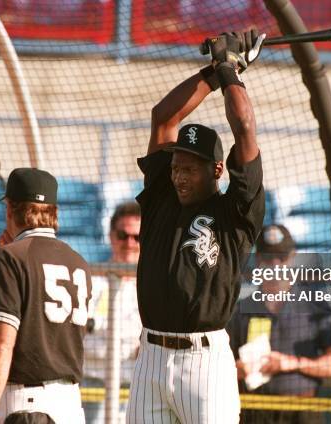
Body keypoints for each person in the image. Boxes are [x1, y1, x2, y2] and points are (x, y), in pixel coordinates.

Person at [126, 30, 266, 423]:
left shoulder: (235, 213)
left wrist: (229, 70)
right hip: (151, 355)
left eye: (189, 168)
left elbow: (244, 128)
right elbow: (163, 117)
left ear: (216, 169)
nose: (178, 176)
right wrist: (211, 73)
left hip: (204, 362)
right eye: (175, 167)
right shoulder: (160, 199)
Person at [0, 168, 91, 424]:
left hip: (25, 406)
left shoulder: (8, 258)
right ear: (53, 212)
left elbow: (1, 343)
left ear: (10, 209)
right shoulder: (78, 261)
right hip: (70, 406)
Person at [227, 224, 331, 424]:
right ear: (258, 260)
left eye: (281, 258)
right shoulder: (240, 310)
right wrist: (236, 370)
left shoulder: (315, 306)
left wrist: (290, 363)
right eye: (268, 258)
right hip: (253, 411)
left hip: (302, 411)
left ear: (292, 258)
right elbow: (219, 364)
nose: (275, 265)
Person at [83, 201, 142, 423]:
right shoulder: (91, 281)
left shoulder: (154, 288)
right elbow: (82, 335)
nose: (129, 243)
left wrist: (98, 328)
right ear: (111, 236)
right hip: (92, 386)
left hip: (136, 389)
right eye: (122, 235)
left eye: (137, 237)